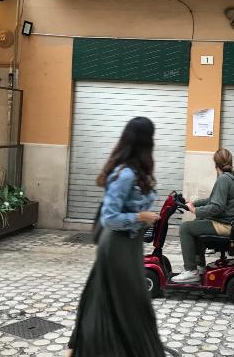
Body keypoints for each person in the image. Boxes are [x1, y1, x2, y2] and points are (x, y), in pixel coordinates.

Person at [67, 117, 165, 357]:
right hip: (117, 246)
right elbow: (109, 218)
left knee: (113, 302)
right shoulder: (125, 175)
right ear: (146, 141)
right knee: (130, 305)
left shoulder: (137, 172)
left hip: (128, 247)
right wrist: (140, 217)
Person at [171, 148, 234, 283]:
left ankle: (191, 270)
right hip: (230, 223)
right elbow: (213, 200)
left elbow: (217, 207)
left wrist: (195, 211)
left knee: (186, 228)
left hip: (226, 225)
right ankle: (200, 267)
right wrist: (193, 203)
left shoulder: (224, 179)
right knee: (198, 223)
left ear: (215, 164)